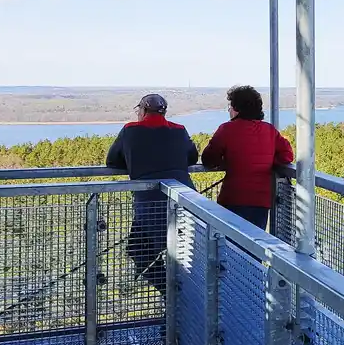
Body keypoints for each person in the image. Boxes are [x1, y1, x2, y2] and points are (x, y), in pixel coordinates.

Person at [106, 94, 198, 293]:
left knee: (140, 251)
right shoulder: (179, 130)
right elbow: (192, 156)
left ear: (143, 111)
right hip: (185, 199)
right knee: (183, 254)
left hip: (150, 203)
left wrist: (136, 162)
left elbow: (112, 161)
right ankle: (178, 298)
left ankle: (173, 295)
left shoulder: (131, 130)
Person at [202, 85, 293, 229]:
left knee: (231, 244)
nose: (229, 110)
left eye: (230, 106)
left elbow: (208, 159)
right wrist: (268, 161)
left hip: (233, 197)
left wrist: (227, 160)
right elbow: (287, 156)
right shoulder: (269, 130)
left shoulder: (226, 129)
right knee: (255, 243)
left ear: (237, 108)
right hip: (261, 201)